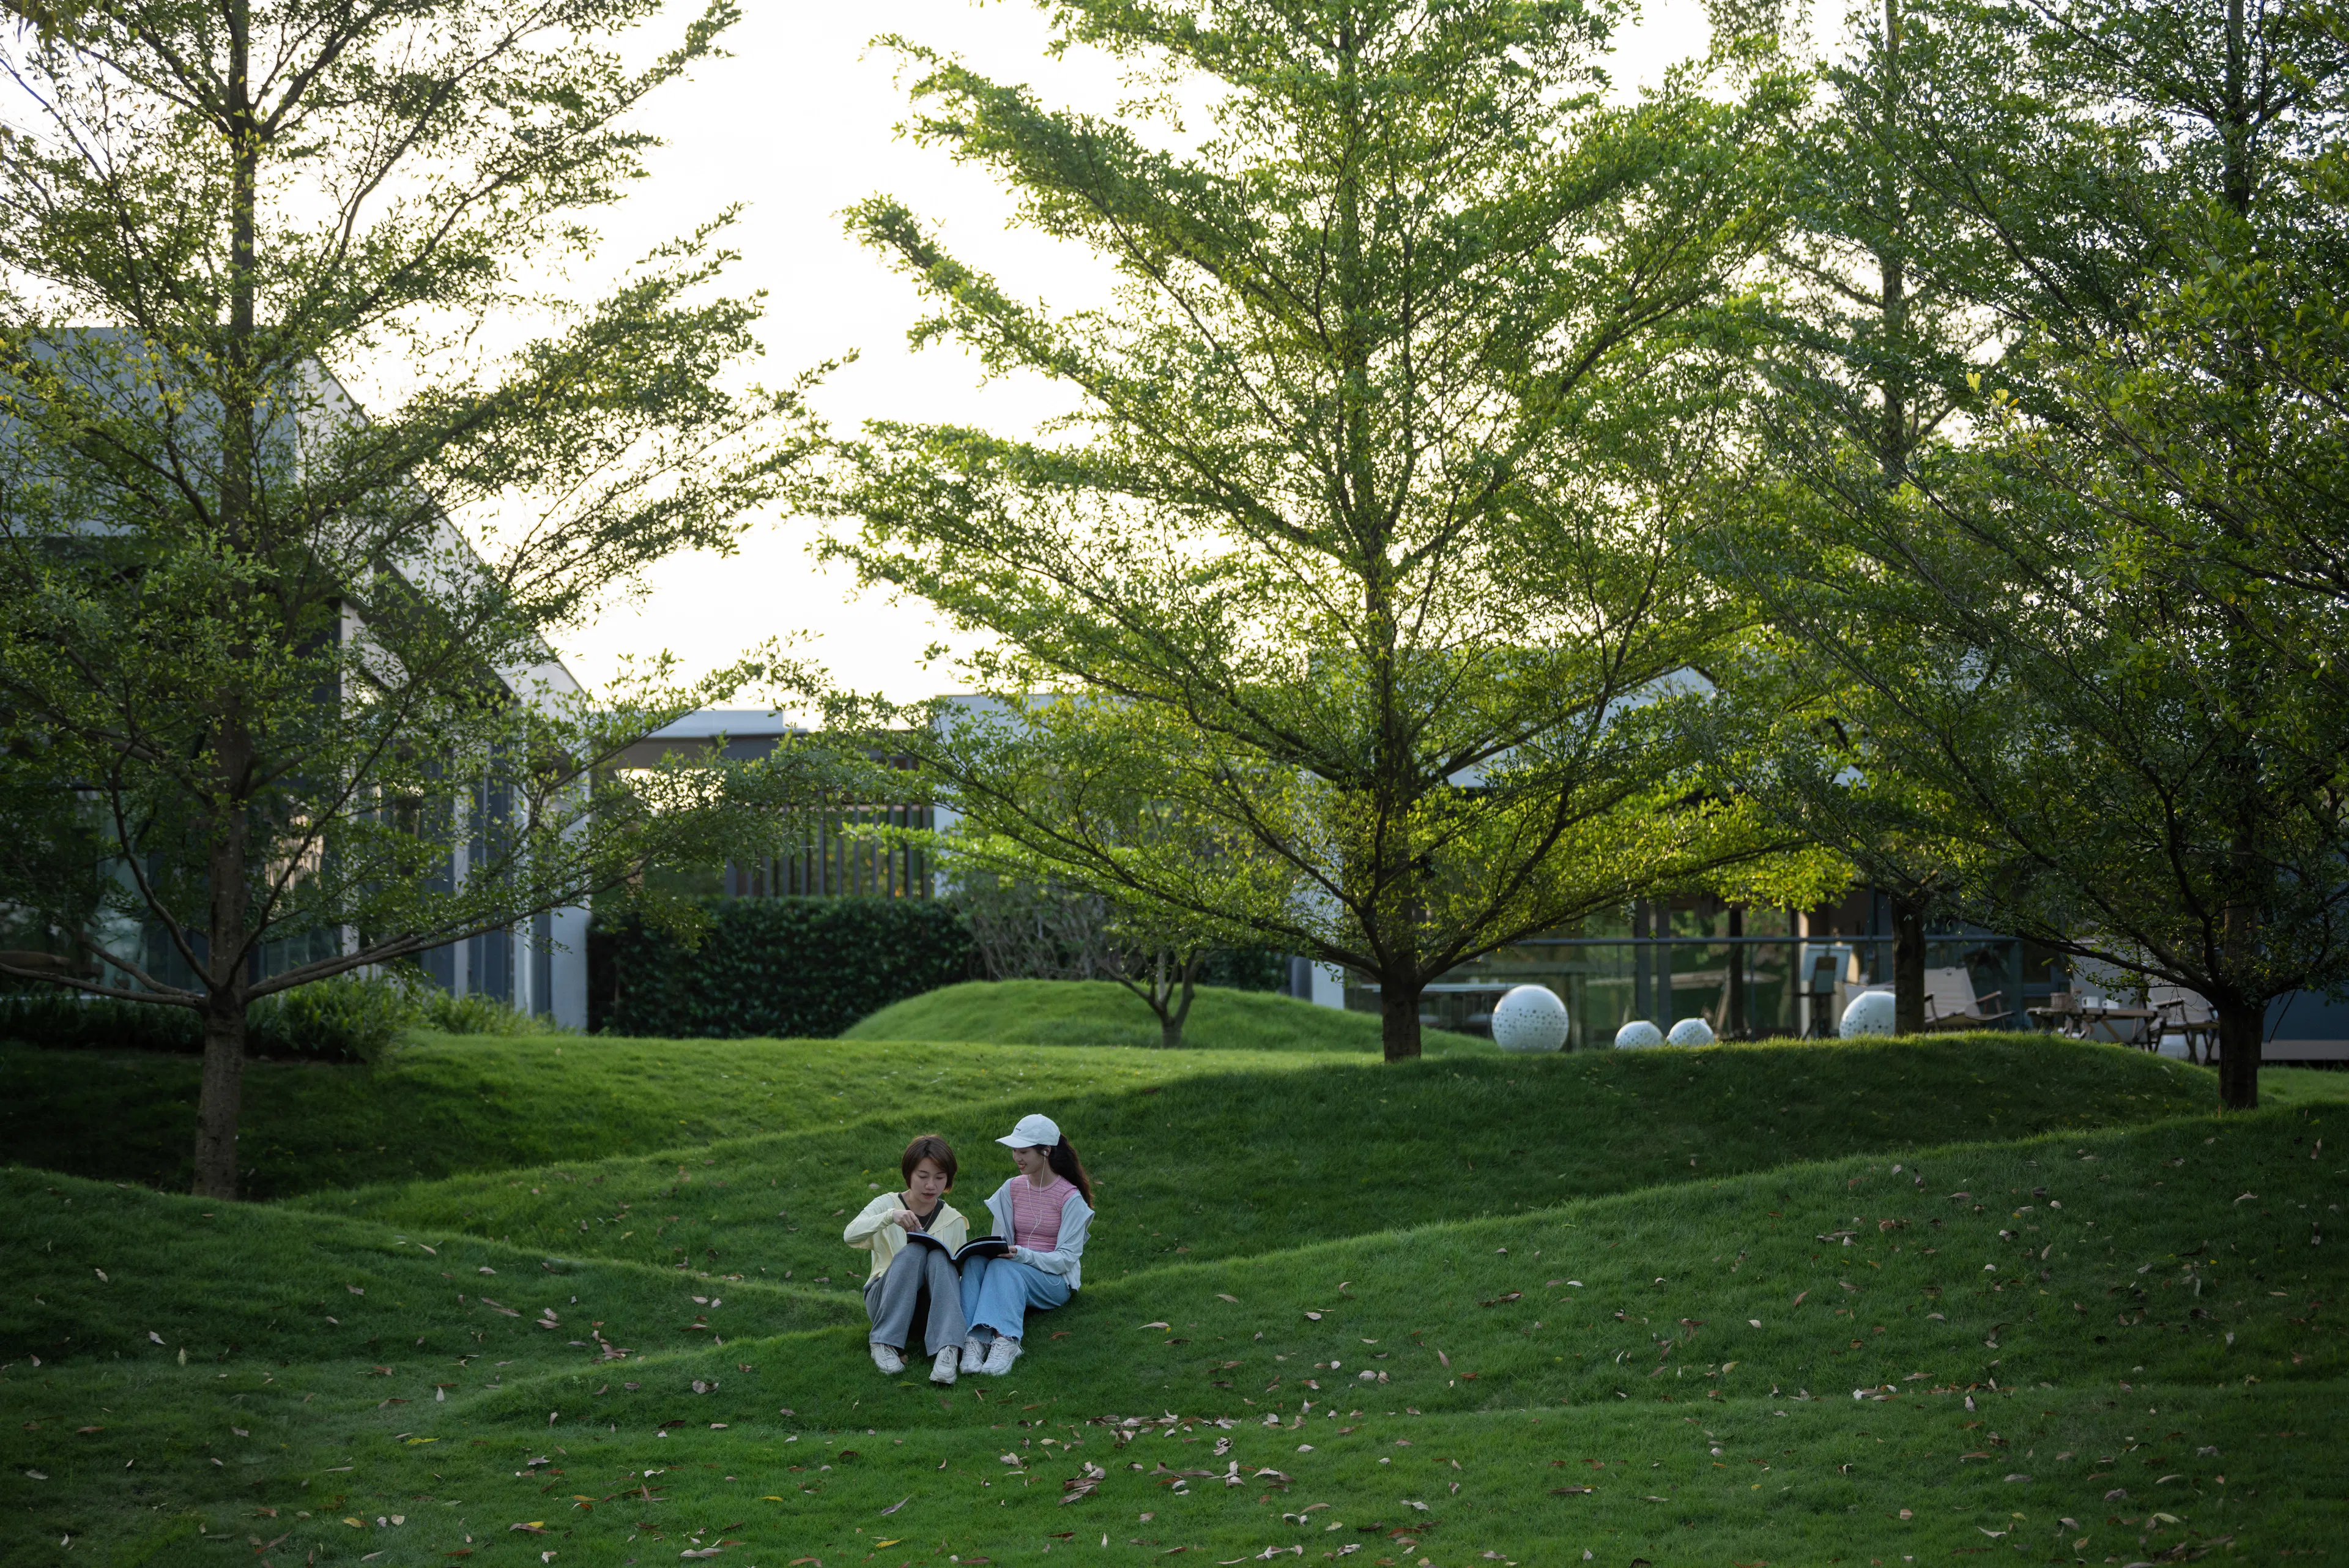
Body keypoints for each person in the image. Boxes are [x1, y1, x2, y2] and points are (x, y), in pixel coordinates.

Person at [960, 1112, 1094, 1377]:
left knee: (1004, 1267)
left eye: (1023, 1152)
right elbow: (999, 1241)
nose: (1016, 1158)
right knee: (976, 1262)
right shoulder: (1011, 1189)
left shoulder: (1070, 1198)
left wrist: (1021, 1255)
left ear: (1045, 1151)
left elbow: (1065, 1260)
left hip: (1053, 1280)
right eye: (1014, 1151)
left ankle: (1007, 1340)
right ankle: (972, 1342)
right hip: (1013, 1269)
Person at [842, 1133, 970, 1384]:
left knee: (939, 1257)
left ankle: (947, 1350)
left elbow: (957, 1274)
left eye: (940, 1178)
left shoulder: (954, 1219)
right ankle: (884, 1342)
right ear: (909, 1174)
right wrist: (891, 1217)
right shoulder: (888, 1204)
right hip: (884, 1301)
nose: (931, 1185)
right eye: (923, 1176)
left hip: (930, 1310)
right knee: (915, 1251)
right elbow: (850, 1234)